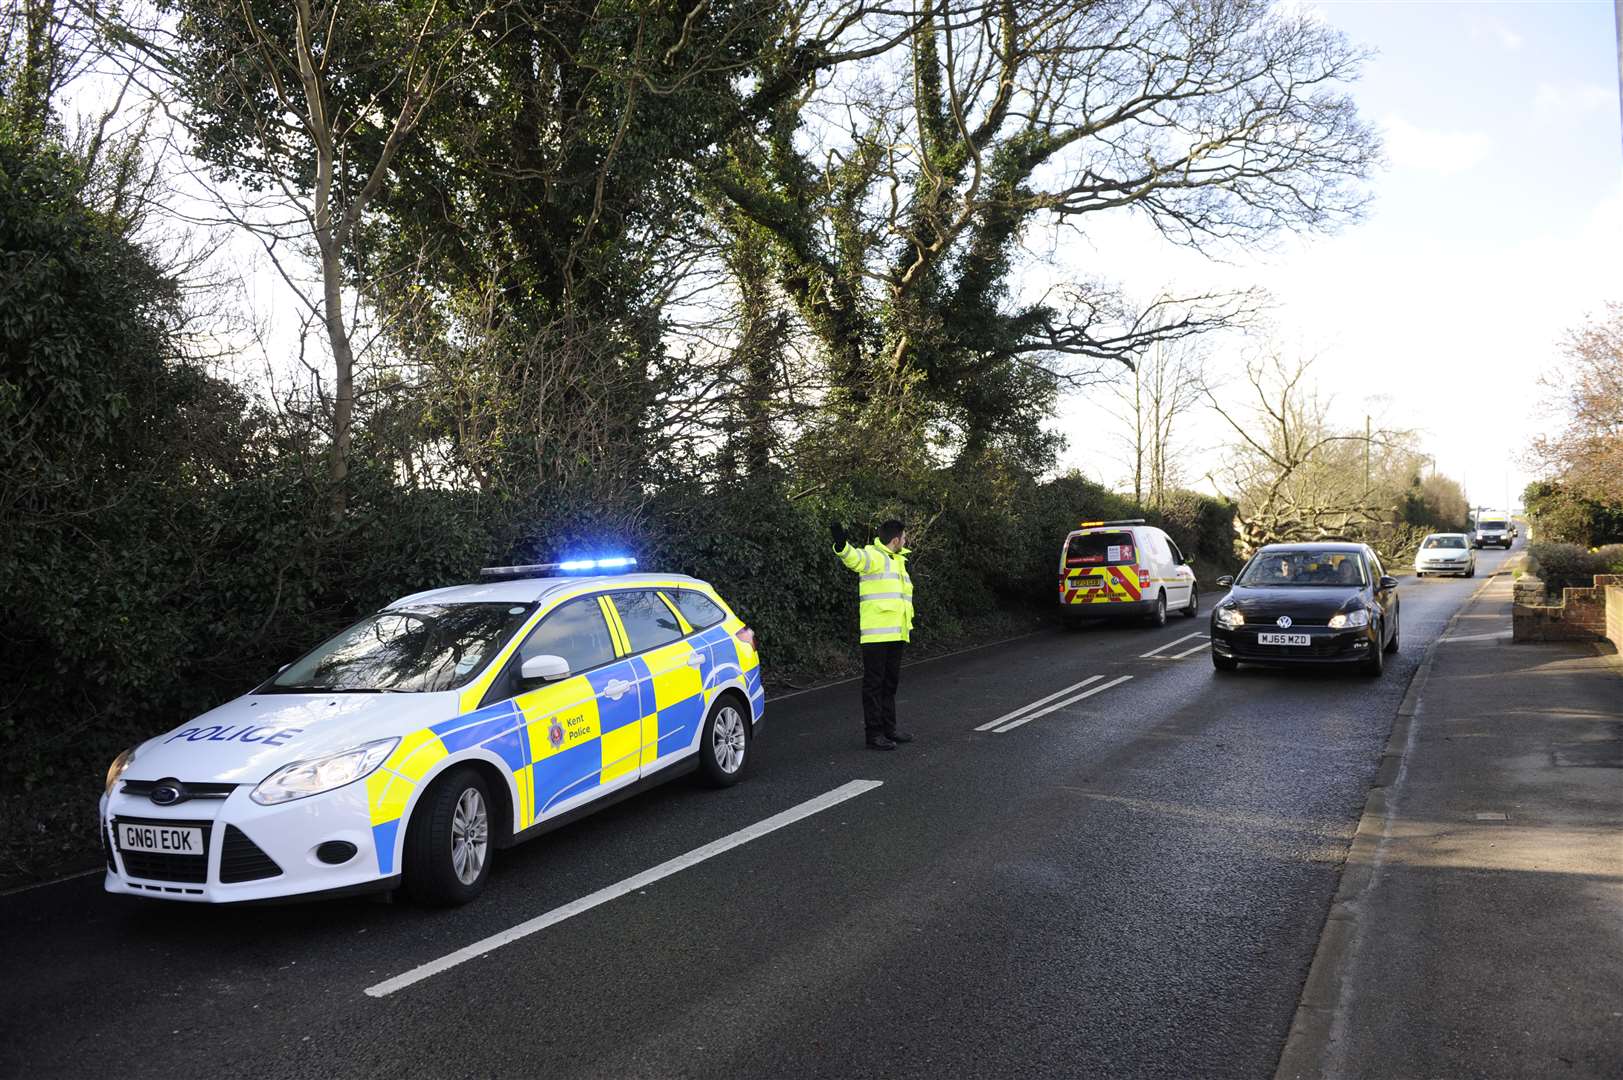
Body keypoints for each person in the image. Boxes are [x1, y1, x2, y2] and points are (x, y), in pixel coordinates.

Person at [830, 519, 914, 750]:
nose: (905, 541)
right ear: (895, 539)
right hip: (876, 637)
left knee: (889, 685)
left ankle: (890, 729)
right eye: (904, 537)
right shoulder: (874, 556)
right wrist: (841, 545)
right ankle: (874, 735)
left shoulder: (898, 561)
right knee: (874, 686)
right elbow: (854, 558)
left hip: (897, 634)